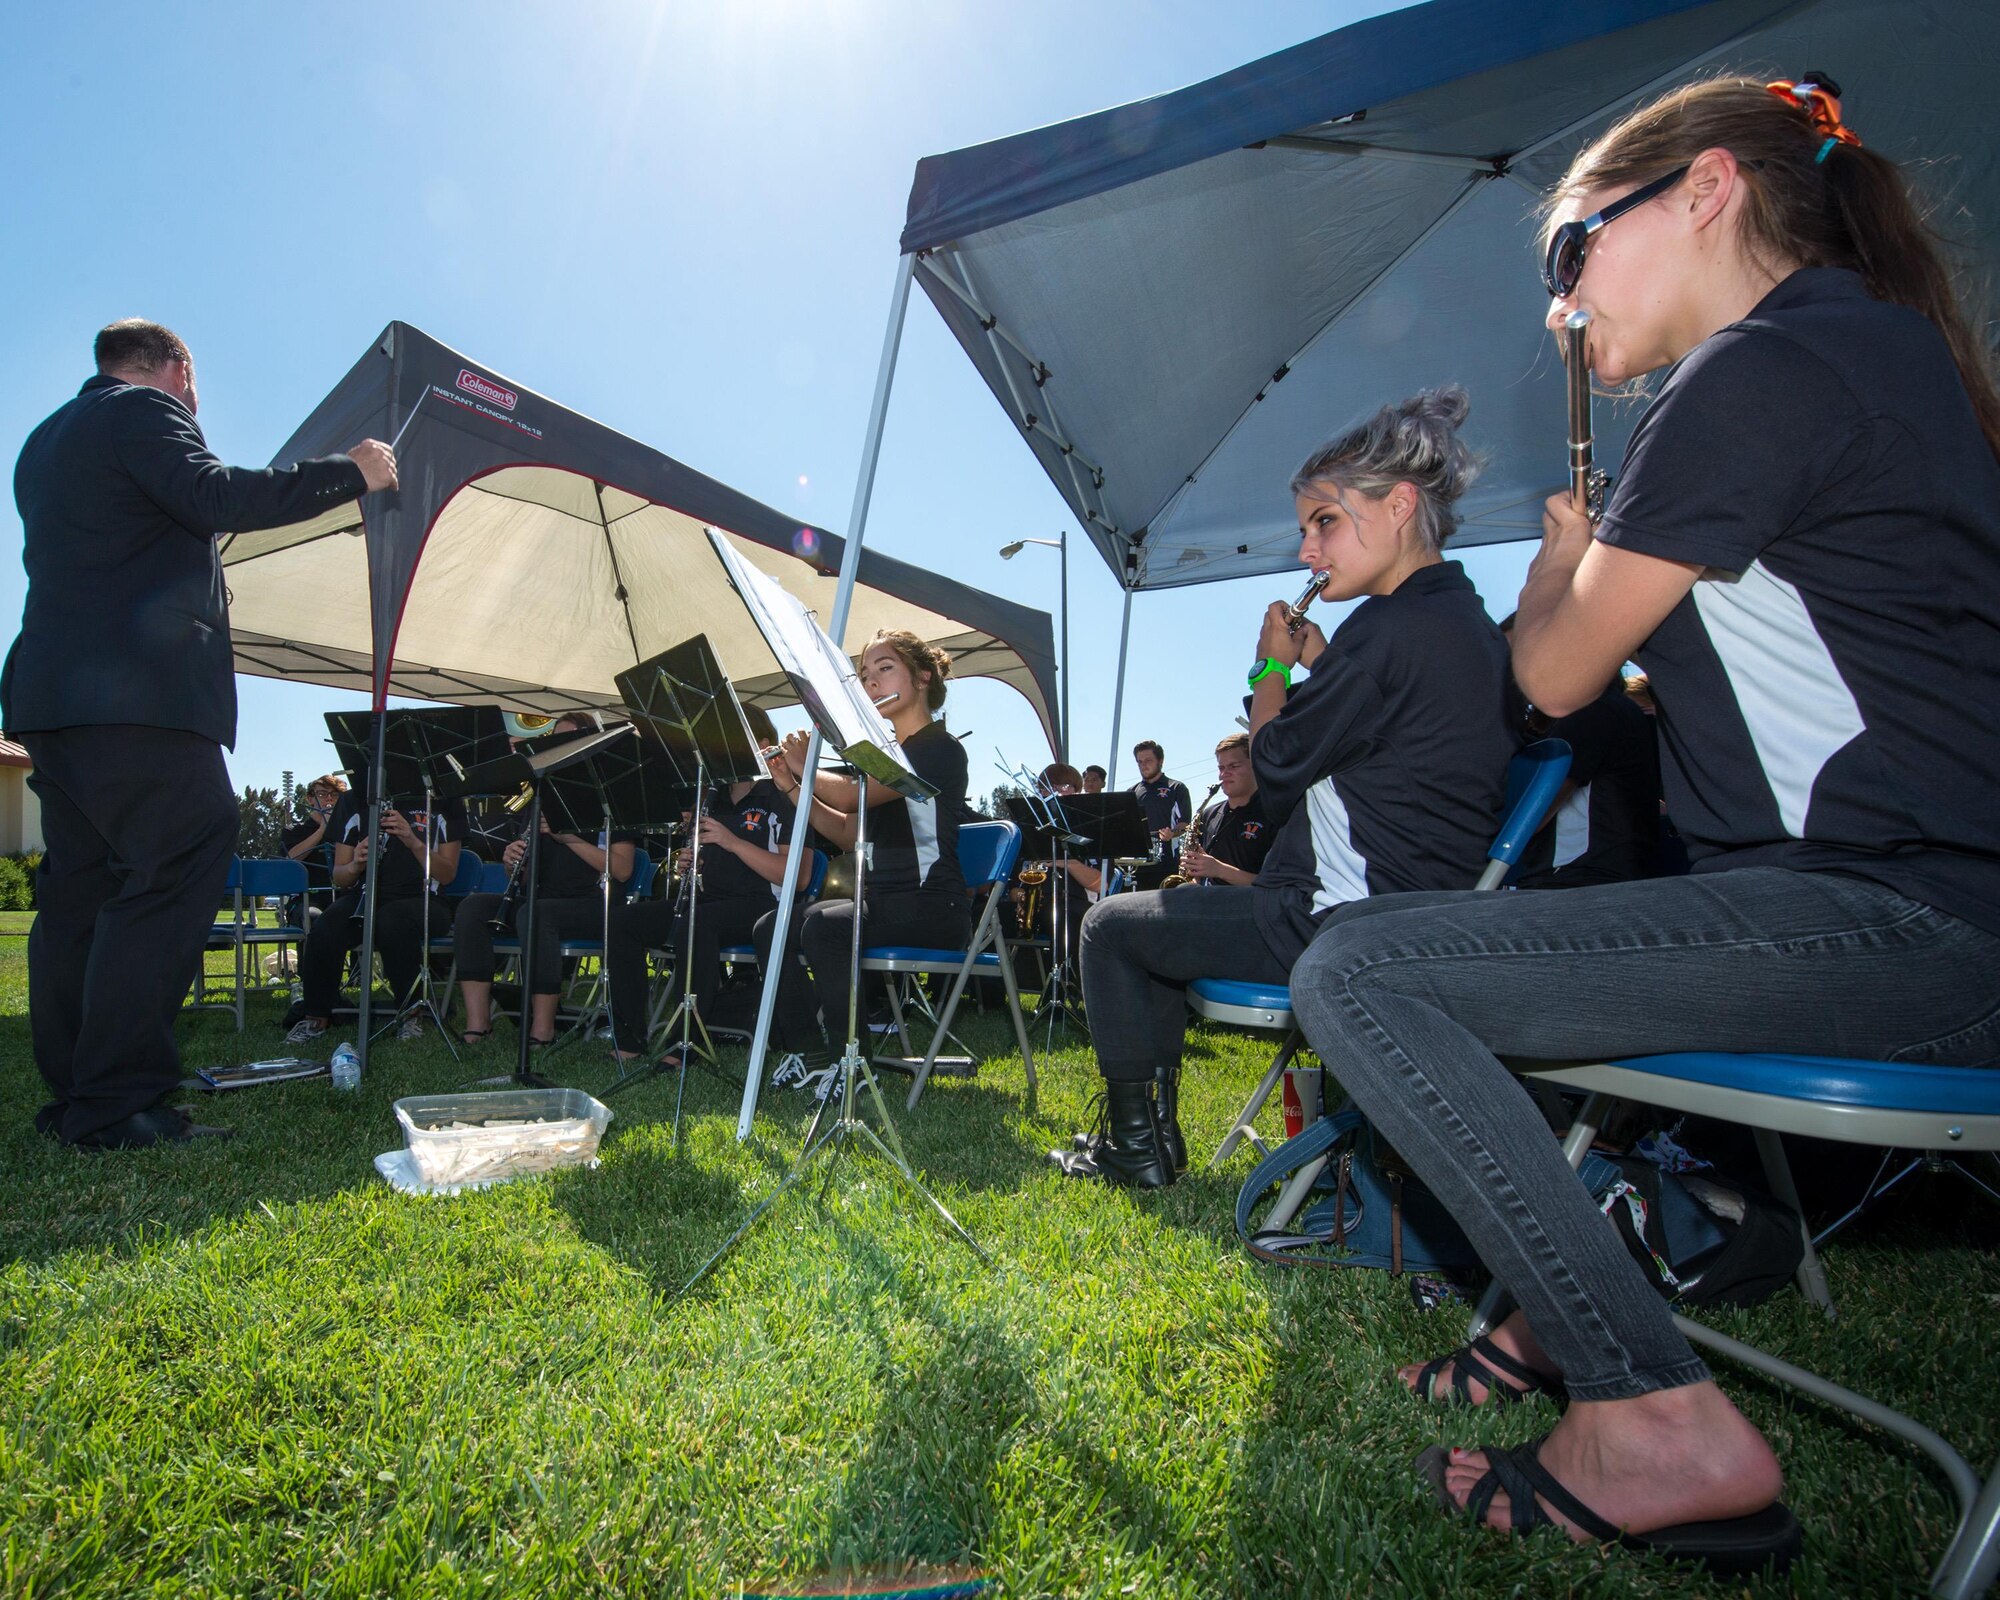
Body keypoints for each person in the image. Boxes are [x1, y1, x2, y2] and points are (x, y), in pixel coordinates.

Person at [1287, 76, 2000, 1571]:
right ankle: (1559, 1323)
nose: (1560, 308)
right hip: (1917, 910)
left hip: (1900, 921)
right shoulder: (1866, 349)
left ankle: (1648, 1409)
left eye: (1571, 254)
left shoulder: (1759, 367)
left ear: (1706, 191)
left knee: (1363, 971)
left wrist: (1568, 559)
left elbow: (1545, 676)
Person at [1056, 386, 1517, 1186]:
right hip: (1413, 906)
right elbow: (1379, 720)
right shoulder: (1457, 621)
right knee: (1156, 916)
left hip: (1343, 920)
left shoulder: (1387, 630)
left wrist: (1271, 663)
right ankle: (1150, 1139)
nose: (1308, 550)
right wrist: (1317, 661)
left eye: (1325, 522)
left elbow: (1274, 766)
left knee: (1109, 926)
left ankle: (1138, 1148)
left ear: (1401, 504)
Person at [6, 319, 395, 1148]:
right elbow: (217, 495)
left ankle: (77, 1087)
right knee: (184, 851)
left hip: (50, 696)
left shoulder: (42, 443)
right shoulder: (143, 412)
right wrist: (350, 473)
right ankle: (118, 1100)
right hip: (136, 696)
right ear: (179, 369)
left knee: (82, 889)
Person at [766, 631, 970, 1086]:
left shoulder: (939, 749)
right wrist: (789, 784)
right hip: (884, 904)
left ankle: (851, 1064)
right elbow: (841, 827)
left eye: (884, 668)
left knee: (824, 925)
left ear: (922, 677)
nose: (872, 683)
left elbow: (855, 796)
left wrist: (806, 763)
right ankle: (810, 1054)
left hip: (933, 906)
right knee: (772, 928)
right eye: (864, 675)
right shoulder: (886, 756)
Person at [602, 705, 819, 1068]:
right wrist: (692, 860)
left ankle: (687, 1038)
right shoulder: (713, 796)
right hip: (707, 900)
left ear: (761, 744)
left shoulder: (784, 797)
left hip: (759, 905)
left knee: (696, 924)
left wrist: (732, 842)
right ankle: (629, 1035)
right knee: (623, 921)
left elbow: (797, 877)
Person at [453, 715, 637, 1048]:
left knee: (535, 915)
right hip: (541, 901)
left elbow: (622, 870)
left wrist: (570, 839)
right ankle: (478, 1023)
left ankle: (542, 1028)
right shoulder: (540, 797)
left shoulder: (612, 800)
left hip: (595, 906)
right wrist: (512, 862)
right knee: (472, 909)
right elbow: (526, 875)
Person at [286, 787, 466, 1045]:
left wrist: (412, 840)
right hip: (365, 895)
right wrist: (356, 864)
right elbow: (340, 875)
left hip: (425, 899)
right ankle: (315, 1017)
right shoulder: (354, 799)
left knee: (393, 920)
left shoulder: (442, 797)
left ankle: (411, 1014)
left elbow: (447, 874)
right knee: (326, 926)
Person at [1495, 618, 1663, 889]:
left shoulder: (1590, 712)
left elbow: (1527, 818)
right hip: (1592, 877)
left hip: (1579, 880)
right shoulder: (1604, 708)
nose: (1512, 669)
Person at [1172, 733, 1272, 887]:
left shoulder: (1275, 813)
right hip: (1210, 904)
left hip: (1250, 908)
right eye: (1221, 768)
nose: (1224, 774)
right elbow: (1200, 873)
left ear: (1256, 765)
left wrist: (1219, 870)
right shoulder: (1209, 814)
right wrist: (1193, 878)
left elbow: (1275, 885)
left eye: (1234, 766)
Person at [1127, 741, 1191, 889]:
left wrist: (1172, 834)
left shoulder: (1176, 788)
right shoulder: (1132, 791)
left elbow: (1185, 824)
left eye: (1148, 760)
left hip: (1166, 864)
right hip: (1138, 865)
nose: (1143, 765)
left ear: (1160, 761)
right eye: (1139, 762)